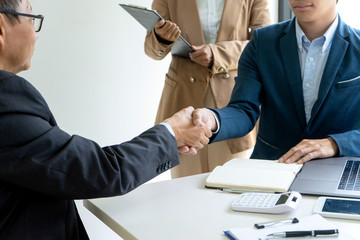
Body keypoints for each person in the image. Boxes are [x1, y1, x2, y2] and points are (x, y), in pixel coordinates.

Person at [0, 0, 211, 239]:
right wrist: (171, 133)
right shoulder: (7, 99)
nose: (36, 34)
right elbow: (100, 171)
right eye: (31, 19)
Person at [191, 0, 360, 164]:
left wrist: (335, 144)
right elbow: (243, 110)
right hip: (273, 166)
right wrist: (213, 119)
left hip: (339, 166)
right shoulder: (261, 43)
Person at [145, 0, 272, 178]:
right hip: (184, 98)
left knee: (230, 186)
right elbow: (152, 50)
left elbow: (265, 43)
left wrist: (218, 53)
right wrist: (161, 38)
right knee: (186, 187)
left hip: (232, 100)